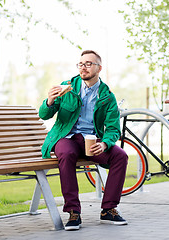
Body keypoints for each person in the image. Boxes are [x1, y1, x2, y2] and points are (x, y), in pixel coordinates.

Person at [39, 50, 128, 231]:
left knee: (120, 156)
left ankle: (108, 209)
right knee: (66, 153)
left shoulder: (107, 96)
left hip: (91, 140)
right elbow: (44, 114)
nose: (83, 67)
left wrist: (104, 144)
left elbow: (113, 129)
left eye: (88, 64)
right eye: (81, 64)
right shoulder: (67, 87)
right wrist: (49, 101)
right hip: (66, 136)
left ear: (99, 68)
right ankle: (73, 212)